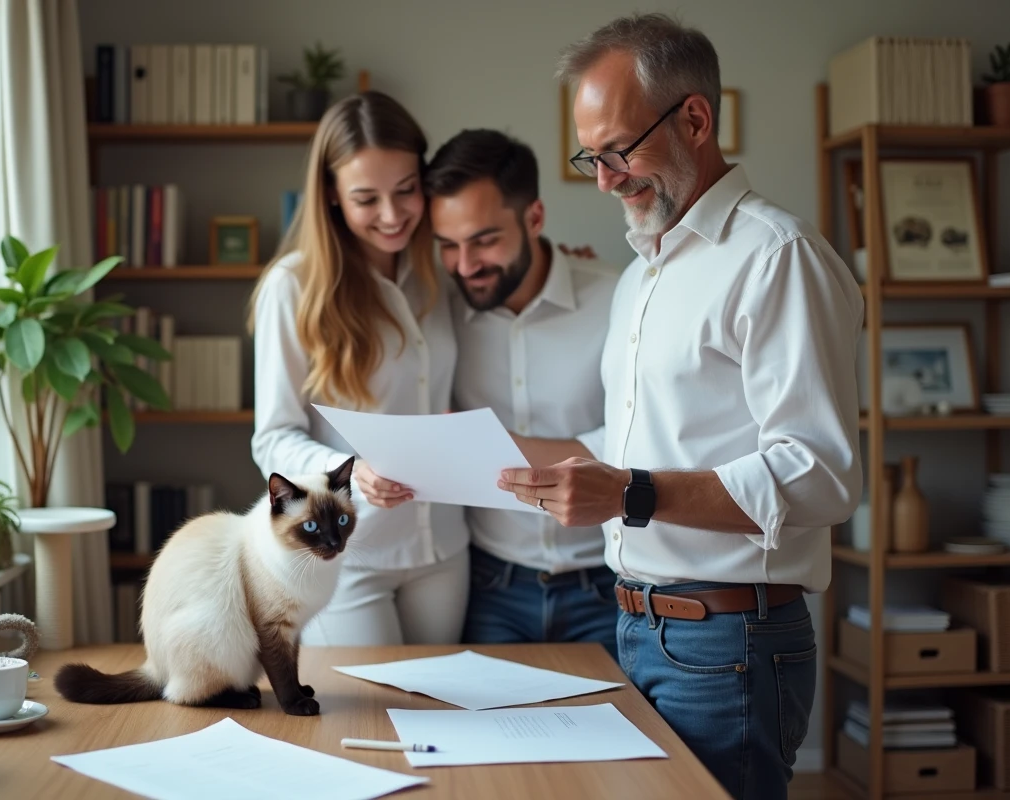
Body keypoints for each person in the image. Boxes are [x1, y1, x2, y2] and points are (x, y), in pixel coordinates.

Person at [497, 14, 862, 800]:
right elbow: (629, 442)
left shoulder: (776, 259)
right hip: (635, 629)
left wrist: (632, 493)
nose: (603, 179)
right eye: (589, 157)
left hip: (729, 642)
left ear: (695, 118)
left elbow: (822, 475)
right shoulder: (643, 274)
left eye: (618, 151)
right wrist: (482, 447)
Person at [249, 91, 469, 647]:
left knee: (442, 718)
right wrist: (345, 473)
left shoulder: (444, 276)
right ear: (330, 195)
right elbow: (272, 436)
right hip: (346, 555)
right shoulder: (293, 287)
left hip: (444, 548)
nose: (392, 216)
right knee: (365, 719)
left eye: (405, 191)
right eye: (366, 198)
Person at [423, 129, 622, 653]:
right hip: (490, 588)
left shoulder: (619, 298)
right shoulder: (435, 312)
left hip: (607, 586)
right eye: (448, 245)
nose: (465, 266)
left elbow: (639, 438)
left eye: (484, 240)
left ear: (534, 218)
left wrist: (493, 443)